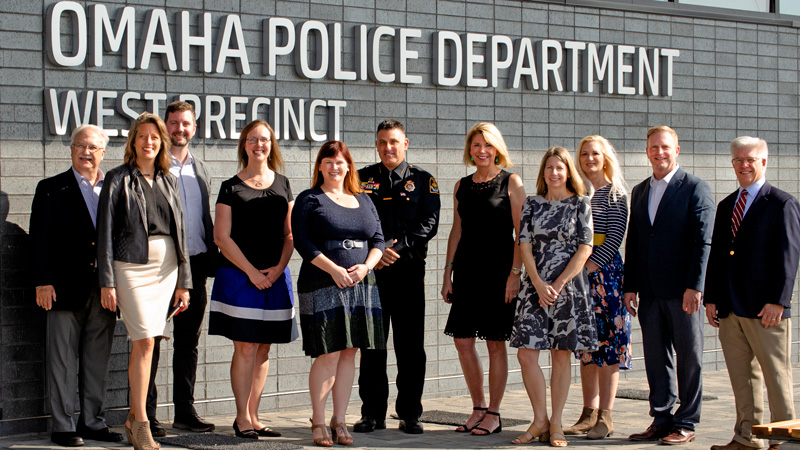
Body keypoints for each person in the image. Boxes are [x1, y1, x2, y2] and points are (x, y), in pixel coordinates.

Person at [97, 112, 192, 450]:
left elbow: (181, 234)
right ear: (133, 141)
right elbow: (105, 233)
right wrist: (106, 282)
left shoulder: (169, 179)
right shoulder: (117, 178)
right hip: (131, 268)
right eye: (143, 136)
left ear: (161, 142)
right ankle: (139, 421)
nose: (148, 142)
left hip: (166, 268)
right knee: (145, 341)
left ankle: (134, 417)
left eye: (155, 137)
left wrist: (185, 281)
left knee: (153, 341)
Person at [30, 125, 123, 447]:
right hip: (63, 289)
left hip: (105, 289)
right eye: (80, 146)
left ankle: (93, 422)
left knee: (97, 361)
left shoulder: (115, 187)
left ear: (103, 152)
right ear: (71, 149)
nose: (86, 152)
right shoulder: (51, 188)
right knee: (62, 362)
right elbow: (39, 240)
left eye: (93, 147)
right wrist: (43, 281)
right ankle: (62, 425)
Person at [704, 137, 800, 450]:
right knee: (742, 378)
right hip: (731, 308)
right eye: (738, 160)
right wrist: (711, 298)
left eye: (751, 159)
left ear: (764, 162)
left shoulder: (782, 203)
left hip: (765, 309)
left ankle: (784, 442)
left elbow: (789, 256)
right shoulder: (727, 204)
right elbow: (718, 255)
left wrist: (779, 301)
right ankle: (748, 438)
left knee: (776, 378)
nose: (744, 165)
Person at [624, 126, 715, 445]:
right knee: (655, 356)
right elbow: (634, 240)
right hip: (648, 291)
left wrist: (695, 286)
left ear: (677, 150)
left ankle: (687, 422)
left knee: (689, 357)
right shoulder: (639, 190)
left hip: (682, 291)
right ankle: (662, 419)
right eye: (653, 147)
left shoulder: (695, 188)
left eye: (664, 147)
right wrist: (629, 285)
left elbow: (704, 241)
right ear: (646, 151)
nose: (658, 152)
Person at [208, 120, 298, 439]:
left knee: (263, 350)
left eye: (264, 139)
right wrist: (251, 272)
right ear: (244, 145)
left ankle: (256, 416)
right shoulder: (230, 186)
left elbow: (290, 234)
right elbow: (222, 237)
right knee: (245, 346)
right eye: (252, 139)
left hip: (274, 278)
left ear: (271, 144)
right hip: (238, 278)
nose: (258, 144)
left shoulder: (284, 184)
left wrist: (277, 269)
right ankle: (241, 417)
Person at [292, 141, 385, 447]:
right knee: (329, 352)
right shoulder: (309, 199)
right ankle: (318, 421)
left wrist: (366, 268)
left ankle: (339, 419)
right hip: (323, 281)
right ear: (320, 165)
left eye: (341, 162)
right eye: (329, 162)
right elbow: (303, 243)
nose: (335, 167)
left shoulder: (363, 199)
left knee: (350, 352)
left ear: (349, 166)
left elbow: (378, 240)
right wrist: (333, 269)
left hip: (360, 284)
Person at [354, 120, 441, 435]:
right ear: (376, 145)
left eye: (393, 141)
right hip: (372, 275)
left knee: (410, 347)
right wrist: (375, 252)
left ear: (405, 143)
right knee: (372, 347)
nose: (387, 147)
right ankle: (372, 413)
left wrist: (396, 249)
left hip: (407, 275)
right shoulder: (362, 179)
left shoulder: (423, 181)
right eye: (381, 142)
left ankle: (410, 414)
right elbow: (353, 218)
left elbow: (429, 223)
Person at [441, 122, 525, 436]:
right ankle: (477, 407)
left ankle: (494, 412)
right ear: (470, 149)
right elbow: (456, 230)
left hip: (499, 273)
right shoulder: (462, 185)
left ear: (497, 148)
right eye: (476, 145)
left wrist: (515, 274)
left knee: (494, 343)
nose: (482, 151)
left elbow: (522, 233)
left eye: (487, 145)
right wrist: (447, 272)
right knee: (463, 340)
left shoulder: (511, 182)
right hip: (467, 272)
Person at [510, 147, 595, 447]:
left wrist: (557, 284)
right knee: (525, 354)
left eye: (560, 167)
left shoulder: (581, 204)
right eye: (549, 167)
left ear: (568, 171)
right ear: (543, 172)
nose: (554, 173)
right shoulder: (532, 203)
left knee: (561, 355)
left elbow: (585, 248)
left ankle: (556, 422)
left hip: (567, 287)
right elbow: (524, 243)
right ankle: (539, 420)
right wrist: (535, 280)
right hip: (535, 288)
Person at [146, 101, 217, 435]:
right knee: (152, 340)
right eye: (173, 123)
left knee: (188, 342)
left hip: (197, 264)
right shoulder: (153, 167)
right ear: (165, 126)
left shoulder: (200, 167)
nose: (180, 129)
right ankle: (147, 414)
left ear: (194, 127)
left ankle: (184, 412)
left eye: (186, 123)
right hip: (161, 268)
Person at [563, 136, 631, 440]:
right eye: (584, 154)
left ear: (606, 157)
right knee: (586, 347)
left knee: (609, 348)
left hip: (604, 278)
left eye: (595, 153)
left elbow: (612, 242)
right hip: (580, 279)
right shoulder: (577, 194)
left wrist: (584, 272)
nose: (589, 158)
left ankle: (606, 416)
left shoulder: (616, 195)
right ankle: (587, 414)